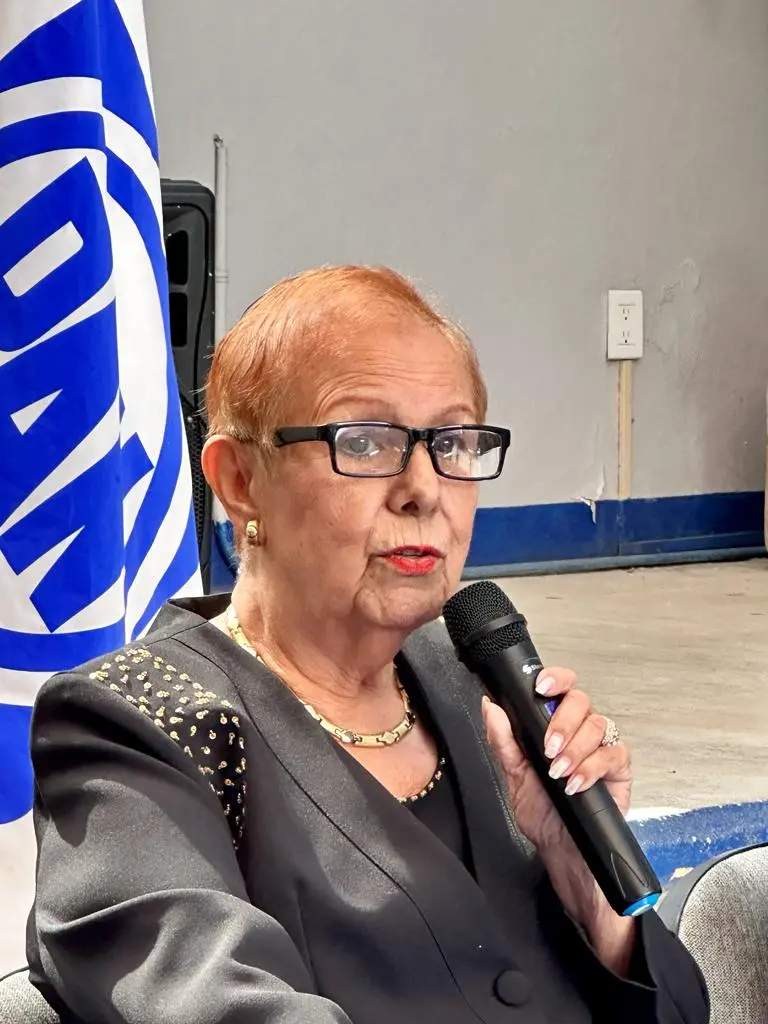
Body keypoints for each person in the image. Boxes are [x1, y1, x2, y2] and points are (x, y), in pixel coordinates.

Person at [27, 266, 708, 1024]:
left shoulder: (482, 687)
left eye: (453, 441)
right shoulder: (135, 727)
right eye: (365, 441)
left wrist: (591, 894)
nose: (424, 489)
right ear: (240, 479)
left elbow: (681, 1010)